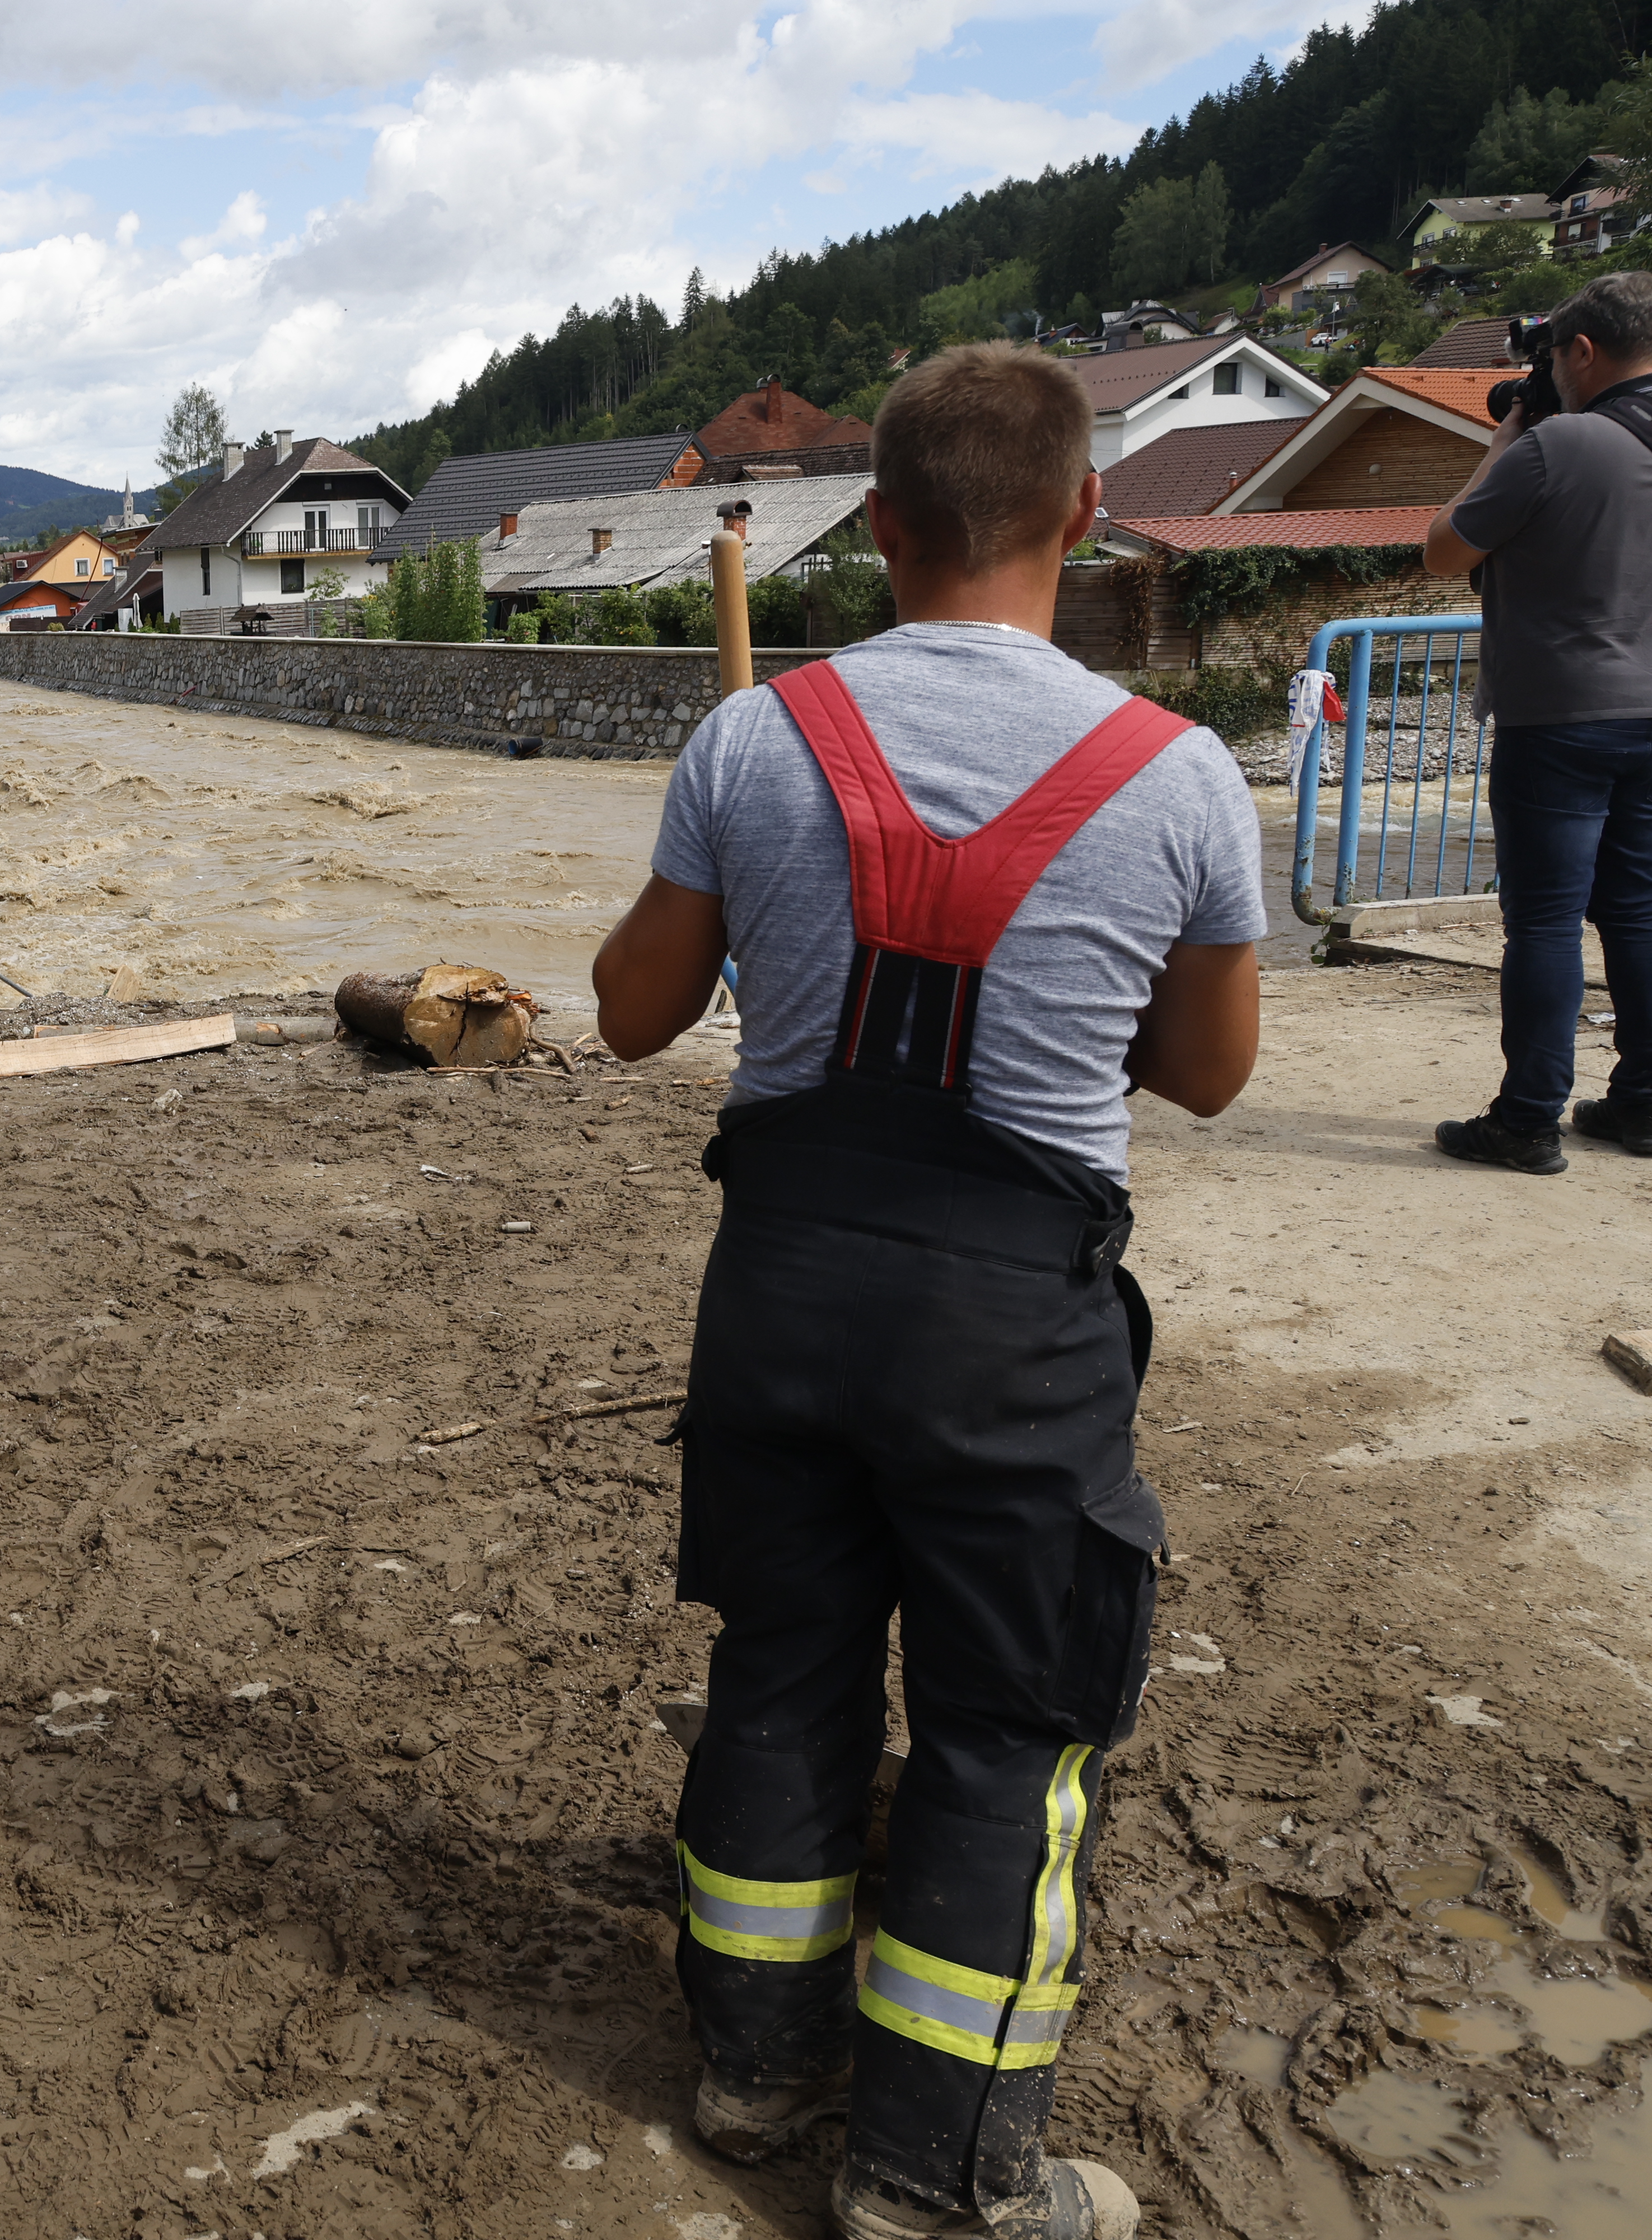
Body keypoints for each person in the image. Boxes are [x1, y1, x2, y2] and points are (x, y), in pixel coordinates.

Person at [592, 342, 1264, 2240]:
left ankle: (754, 2069)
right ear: (1087, 514)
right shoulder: (1179, 775)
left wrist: (747, 903)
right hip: (1014, 1332)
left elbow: (633, 1015)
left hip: (783, 1297)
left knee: (782, 1671)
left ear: (876, 526)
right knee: (1007, 1726)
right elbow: (1208, 1074)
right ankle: (933, 2178)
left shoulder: (753, 744)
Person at [1420, 270, 1652, 1174]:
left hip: (1559, 714)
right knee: (1638, 911)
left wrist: (1504, 441)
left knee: (1548, 921)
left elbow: (1445, 551)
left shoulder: (1560, 445)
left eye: (1555, 355)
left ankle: (1526, 1120)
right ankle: (1642, 1104)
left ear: (1583, 350)